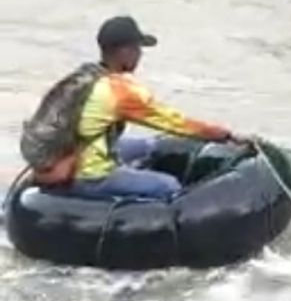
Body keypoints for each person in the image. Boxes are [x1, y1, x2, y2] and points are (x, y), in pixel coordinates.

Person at [54, 16, 245, 200]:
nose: (140, 54)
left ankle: (126, 174)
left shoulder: (85, 76)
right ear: (124, 52)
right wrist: (223, 134)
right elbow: (174, 122)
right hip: (91, 176)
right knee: (168, 185)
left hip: (76, 156)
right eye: (137, 48)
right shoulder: (120, 91)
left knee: (147, 147)